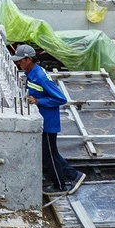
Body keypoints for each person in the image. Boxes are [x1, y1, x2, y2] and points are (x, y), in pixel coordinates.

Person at [13, 44, 85, 196]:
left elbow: (60, 98)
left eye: (20, 61)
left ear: (28, 59)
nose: (18, 63)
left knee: (49, 155)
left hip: (48, 123)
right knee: (51, 153)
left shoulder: (39, 76)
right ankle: (74, 175)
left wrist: (39, 102)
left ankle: (60, 185)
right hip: (43, 120)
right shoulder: (31, 73)